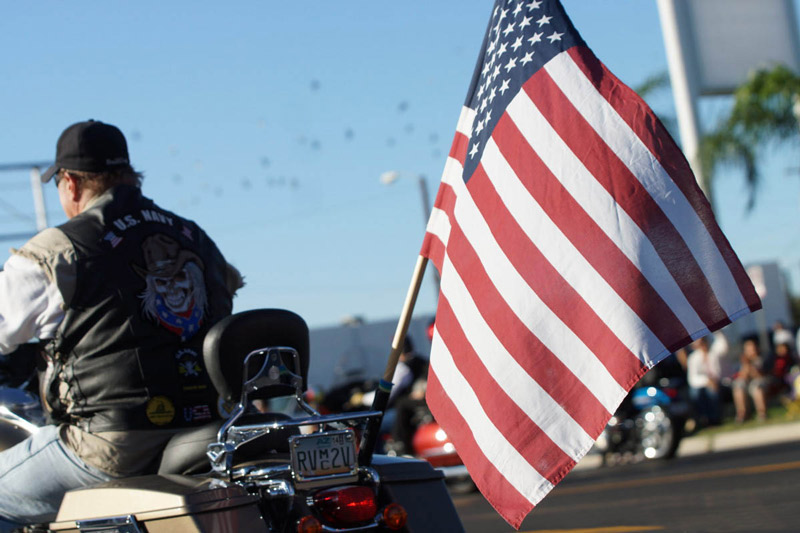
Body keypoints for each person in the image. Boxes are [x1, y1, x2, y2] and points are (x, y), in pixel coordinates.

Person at [0, 120, 243, 530]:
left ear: (71, 184)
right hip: (210, 431)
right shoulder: (196, 238)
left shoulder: (58, 251)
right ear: (131, 175)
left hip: (112, 444)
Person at [685, 337, 722, 427]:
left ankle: (714, 418)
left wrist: (712, 381)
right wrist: (706, 381)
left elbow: (717, 372)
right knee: (697, 394)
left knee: (712, 392)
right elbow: (692, 379)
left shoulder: (713, 355)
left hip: (712, 383)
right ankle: (703, 418)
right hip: (699, 385)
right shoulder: (693, 358)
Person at [732, 338, 768, 423]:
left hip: (760, 384)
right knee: (738, 386)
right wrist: (746, 366)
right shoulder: (743, 361)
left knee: (757, 388)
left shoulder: (762, 359)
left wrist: (751, 368)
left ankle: (762, 413)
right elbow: (742, 377)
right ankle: (742, 414)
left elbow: (760, 376)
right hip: (747, 385)